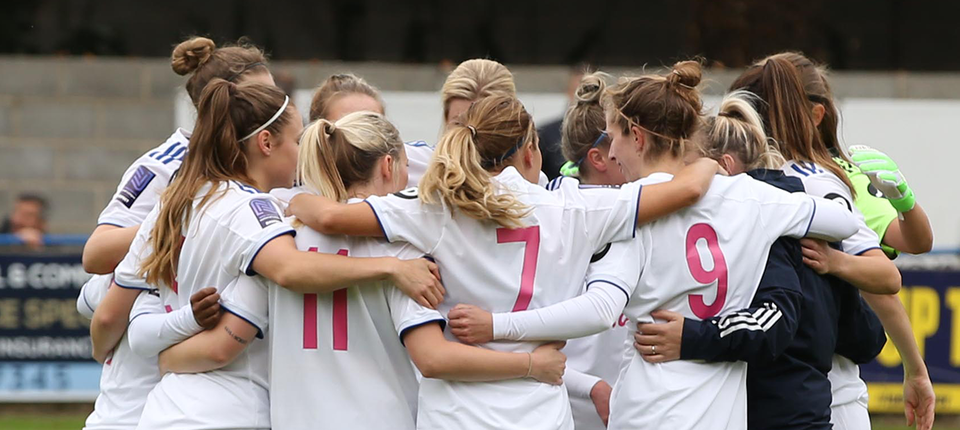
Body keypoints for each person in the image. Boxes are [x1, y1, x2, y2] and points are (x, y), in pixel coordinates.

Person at [443, 61, 860, 430]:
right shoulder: (753, 199)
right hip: (721, 415)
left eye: (613, 138)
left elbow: (600, 308)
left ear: (638, 138)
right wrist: (781, 210)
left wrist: (496, 326)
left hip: (648, 410)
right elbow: (844, 219)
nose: (611, 152)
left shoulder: (632, 213)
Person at [286, 94, 724, 429]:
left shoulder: (431, 210)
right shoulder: (575, 208)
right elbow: (685, 191)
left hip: (455, 414)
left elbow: (330, 214)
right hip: (538, 412)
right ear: (531, 152)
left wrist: (294, 198)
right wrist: (707, 163)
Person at [187, 111, 566, 430]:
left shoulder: (283, 242)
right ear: (388, 165)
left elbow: (226, 339)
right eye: (405, 165)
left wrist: (165, 352)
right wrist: (531, 364)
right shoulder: (403, 255)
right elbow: (434, 359)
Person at [112, 79, 441, 430]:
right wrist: (391, 267)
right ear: (389, 166)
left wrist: (166, 356)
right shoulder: (265, 223)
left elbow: (104, 305)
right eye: (297, 140)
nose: (302, 151)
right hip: (233, 413)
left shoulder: (247, 213)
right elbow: (288, 271)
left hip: (197, 406)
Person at [630, 90, 888, 430]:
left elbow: (776, 322)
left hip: (772, 414)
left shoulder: (757, 226)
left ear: (724, 167)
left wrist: (692, 337)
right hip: (816, 410)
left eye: (694, 170)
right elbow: (866, 338)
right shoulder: (815, 227)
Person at [81, 37, 276, 430]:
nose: (274, 108)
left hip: (204, 387)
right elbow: (96, 253)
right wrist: (184, 217)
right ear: (221, 100)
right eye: (263, 95)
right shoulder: (166, 164)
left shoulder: (266, 160)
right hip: (143, 394)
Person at [730, 53, 924, 430]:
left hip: (803, 383)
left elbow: (886, 275)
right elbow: (886, 281)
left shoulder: (812, 179)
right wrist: (915, 369)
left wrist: (836, 262)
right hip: (801, 385)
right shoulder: (812, 176)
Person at [547, 71, 627, 429]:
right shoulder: (550, 214)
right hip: (564, 405)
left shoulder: (646, 206)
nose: (640, 149)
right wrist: (590, 386)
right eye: (629, 139)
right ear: (598, 157)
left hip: (634, 405)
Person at [307, 72, 436, 187]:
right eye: (348, 126)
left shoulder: (420, 161)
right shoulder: (296, 190)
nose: (364, 138)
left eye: (375, 123)